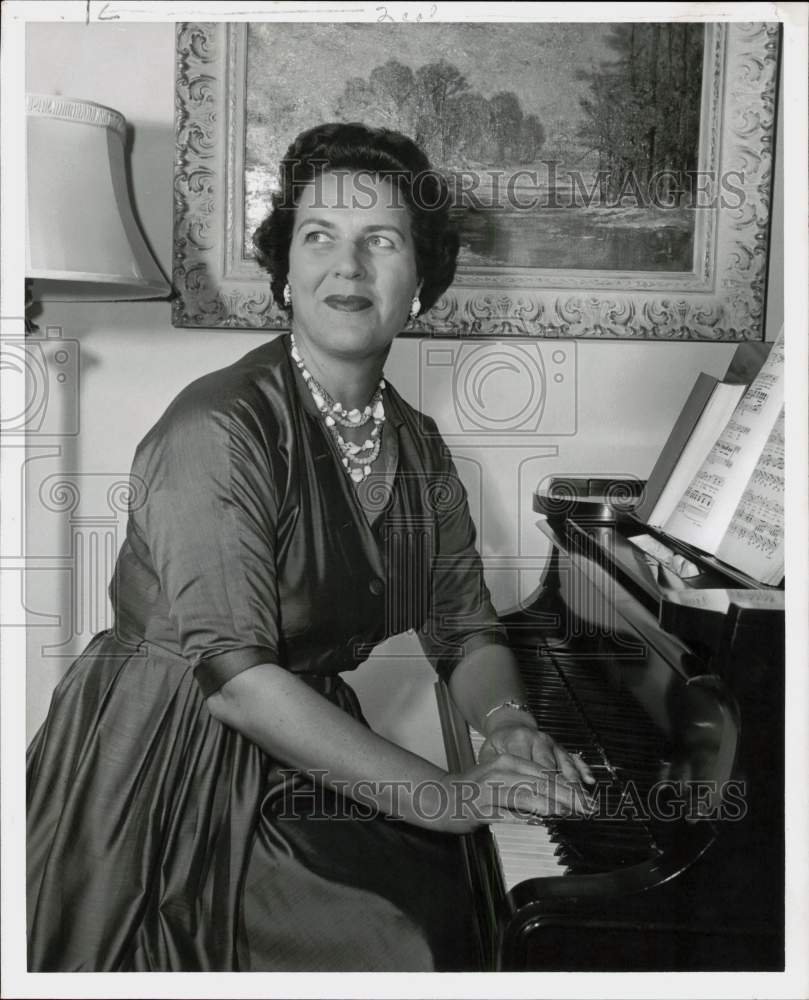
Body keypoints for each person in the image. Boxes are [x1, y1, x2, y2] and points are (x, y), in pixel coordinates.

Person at [26, 122, 593, 973]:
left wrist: (506, 728)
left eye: (383, 241)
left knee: (450, 903)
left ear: (423, 286)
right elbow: (238, 683)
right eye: (319, 236)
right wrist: (442, 793)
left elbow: (465, 629)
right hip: (165, 758)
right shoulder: (218, 427)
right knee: (404, 935)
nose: (349, 266)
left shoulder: (417, 443)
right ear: (285, 273)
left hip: (304, 747)